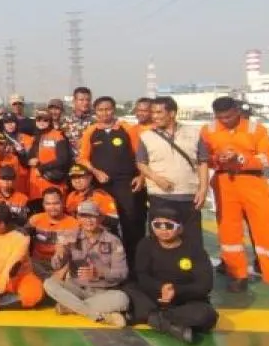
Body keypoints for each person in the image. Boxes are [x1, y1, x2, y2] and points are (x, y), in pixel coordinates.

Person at [199, 96, 269, 303]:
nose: (225, 121)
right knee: (228, 232)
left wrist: (240, 159)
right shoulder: (208, 131)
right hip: (224, 182)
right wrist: (218, 159)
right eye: (221, 117)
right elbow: (203, 158)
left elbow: (268, 158)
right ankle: (237, 275)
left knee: (267, 232)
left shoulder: (256, 129)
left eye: (229, 116)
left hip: (252, 182)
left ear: (237, 111)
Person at [127, 207, 218, 344]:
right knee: (128, 291)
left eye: (169, 225)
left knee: (207, 316)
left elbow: (205, 284)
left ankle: (156, 318)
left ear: (180, 228)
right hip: (154, 297)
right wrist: (161, 288)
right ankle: (170, 325)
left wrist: (175, 290)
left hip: (184, 301)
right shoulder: (146, 244)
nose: (163, 229)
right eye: (157, 225)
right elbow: (142, 276)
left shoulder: (194, 249)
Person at [77, 96, 146, 262]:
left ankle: (134, 262)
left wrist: (142, 176)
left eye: (108, 109)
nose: (104, 113)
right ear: (95, 112)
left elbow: (141, 156)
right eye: (100, 110)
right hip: (101, 185)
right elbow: (83, 158)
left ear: (114, 110)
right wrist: (96, 172)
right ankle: (105, 261)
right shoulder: (91, 131)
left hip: (126, 184)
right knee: (103, 222)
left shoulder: (127, 128)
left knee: (130, 222)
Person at [136, 95, 208, 248]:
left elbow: (203, 162)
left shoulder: (194, 133)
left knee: (192, 239)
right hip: (160, 196)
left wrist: (203, 190)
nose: (154, 116)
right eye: (153, 113)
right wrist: (157, 179)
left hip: (189, 195)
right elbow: (141, 163)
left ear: (172, 113)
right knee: (161, 239)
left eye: (159, 112)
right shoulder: (146, 136)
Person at [43, 200, 128, 327]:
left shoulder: (113, 241)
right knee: (49, 283)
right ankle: (95, 315)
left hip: (102, 291)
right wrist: (59, 255)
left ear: (100, 218)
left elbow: (122, 273)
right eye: (84, 216)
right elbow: (56, 266)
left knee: (122, 299)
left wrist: (99, 273)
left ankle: (72, 307)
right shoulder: (70, 236)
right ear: (78, 218)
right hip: (76, 289)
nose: (88, 220)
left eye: (92, 216)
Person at [26, 188, 80, 279]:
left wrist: (63, 270)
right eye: (48, 204)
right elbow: (20, 239)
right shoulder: (35, 220)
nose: (52, 207)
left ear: (62, 203)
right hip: (37, 263)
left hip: (61, 264)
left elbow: (78, 253)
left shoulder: (74, 224)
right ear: (43, 204)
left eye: (56, 203)